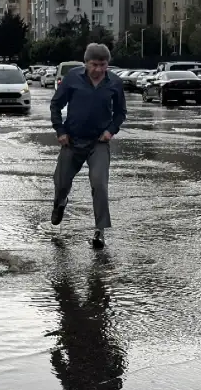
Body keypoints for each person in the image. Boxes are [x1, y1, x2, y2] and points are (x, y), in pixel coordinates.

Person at [49, 43, 127, 248]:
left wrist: (111, 130)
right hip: (72, 141)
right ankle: (60, 202)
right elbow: (56, 105)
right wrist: (60, 131)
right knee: (61, 182)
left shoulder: (114, 83)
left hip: (98, 143)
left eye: (103, 65)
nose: (99, 69)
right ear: (86, 63)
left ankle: (100, 230)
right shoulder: (72, 78)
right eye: (94, 64)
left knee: (99, 184)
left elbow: (120, 112)